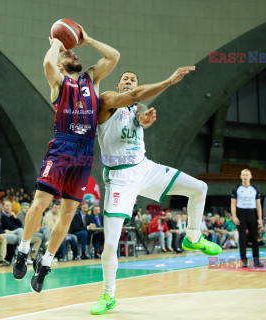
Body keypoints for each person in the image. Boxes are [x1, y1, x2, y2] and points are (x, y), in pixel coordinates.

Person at [90, 68, 222, 314]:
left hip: (145, 169)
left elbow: (138, 116)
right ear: (119, 85)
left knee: (199, 188)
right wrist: (170, 80)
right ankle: (108, 295)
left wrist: (143, 121)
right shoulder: (107, 100)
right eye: (126, 79)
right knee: (110, 244)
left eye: (134, 80)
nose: (129, 82)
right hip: (119, 179)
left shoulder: (136, 109)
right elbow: (136, 96)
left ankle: (193, 237)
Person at [13, 24, 120, 294]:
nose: (73, 55)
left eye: (73, 53)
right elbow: (47, 62)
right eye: (67, 55)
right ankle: (23, 250)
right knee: (40, 203)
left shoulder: (91, 79)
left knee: (69, 212)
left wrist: (87, 40)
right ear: (61, 65)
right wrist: (57, 42)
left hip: (85, 150)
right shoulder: (59, 81)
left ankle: (46, 262)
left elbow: (114, 56)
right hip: (63, 145)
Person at [231, 169, 263, 268]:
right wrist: (234, 216)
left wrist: (260, 218)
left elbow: (258, 204)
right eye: (243, 175)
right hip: (241, 213)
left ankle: (256, 260)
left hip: (252, 213)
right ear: (241, 176)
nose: (245, 176)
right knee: (242, 239)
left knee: (254, 239)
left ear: (250, 177)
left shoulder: (255, 189)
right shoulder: (236, 188)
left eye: (247, 175)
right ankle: (244, 260)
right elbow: (233, 203)